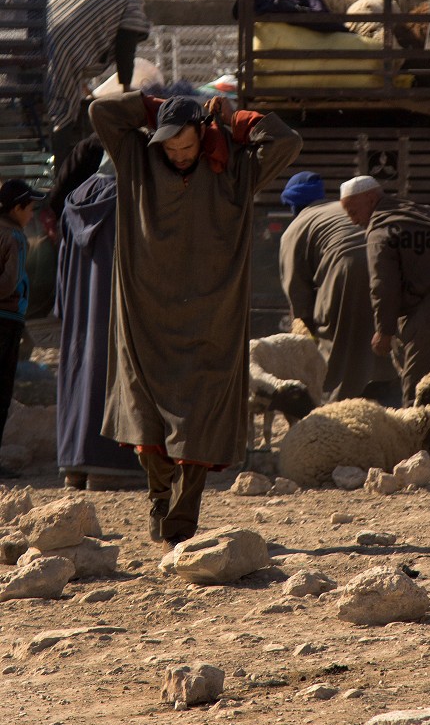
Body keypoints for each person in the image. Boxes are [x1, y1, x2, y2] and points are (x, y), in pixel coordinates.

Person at [88, 91, 301, 547]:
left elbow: (285, 141)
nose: (180, 156)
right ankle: (158, 496)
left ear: (203, 138)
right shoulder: (134, 160)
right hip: (145, 313)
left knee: (201, 418)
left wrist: (235, 118)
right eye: (170, 147)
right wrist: (161, 106)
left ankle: (182, 525)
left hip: (212, 317)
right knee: (148, 419)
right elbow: (100, 111)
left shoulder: (234, 169)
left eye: (187, 146)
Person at [339, 175, 430, 405]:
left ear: (370, 198)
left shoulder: (381, 230)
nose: (352, 220)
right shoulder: (417, 212)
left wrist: (384, 331)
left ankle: (417, 434)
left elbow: (382, 285)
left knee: (420, 377)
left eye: (352, 210)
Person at [55, 164, 141, 489]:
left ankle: (74, 467)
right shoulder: (132, 195)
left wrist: (67, 310)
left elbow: (62, 274)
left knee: (80, 375)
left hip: (79, 313)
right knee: (112, 373)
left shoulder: (74, 198)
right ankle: (108, 466)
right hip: (118, 307)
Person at [278, 171, 398, 402]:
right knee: (381, 335)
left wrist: (310, 329)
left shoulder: (295, 228)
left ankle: (339, 410)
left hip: (344, 271)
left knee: (338, 347)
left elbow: (297, 290)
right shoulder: (344, 209)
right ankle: (388, 399)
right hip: (383, 264)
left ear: (292, 206)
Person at [48, 0, 150, 165]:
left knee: (51, 107)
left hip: (38, 37)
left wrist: (86, 90)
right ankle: (60, 174)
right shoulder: (130, 0)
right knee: (63, 114)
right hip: (62, 49)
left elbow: (81, 32)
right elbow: (125, 49)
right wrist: (126, 93)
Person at [0, 178, 45, 478]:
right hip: (6, 321)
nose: (32, 215)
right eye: (30, 209)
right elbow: (8, 283)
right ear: (17, 209)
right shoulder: (15, 238)